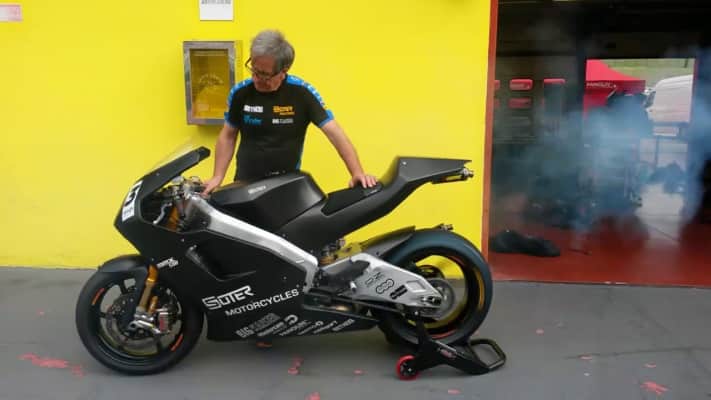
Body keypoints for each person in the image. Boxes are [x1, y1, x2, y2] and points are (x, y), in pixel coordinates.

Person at [201, 29, 376, 197]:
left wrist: (357, 172)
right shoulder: (240, 93)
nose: (256, 79)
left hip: (286, 186)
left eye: (264, 75)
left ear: (284, 70)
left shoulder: (302, 94)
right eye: (254, 70)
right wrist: (217, 176)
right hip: (245, 185)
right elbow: (228, 136)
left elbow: (334, 133)